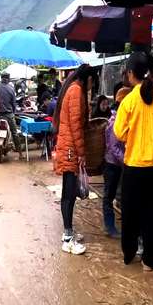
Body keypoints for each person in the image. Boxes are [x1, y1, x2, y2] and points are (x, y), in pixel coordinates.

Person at [114, 52, 153, 272]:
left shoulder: (128, 101)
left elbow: (119, 133)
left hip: (134, 167)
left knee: (130, 214)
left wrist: (134, 136)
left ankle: (129, 255)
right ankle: (149, 261)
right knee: (150, 214)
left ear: (130, 74)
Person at [53, 64, 97, 256]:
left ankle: (68, 232)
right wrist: (81, 153)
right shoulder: (76, 91)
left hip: (69, 147)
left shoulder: (73, 89)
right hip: (70, 149)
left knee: (69, 193)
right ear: (87, 79)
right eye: (92, 83)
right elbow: (76, 126)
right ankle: (67, 237)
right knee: (69, 194)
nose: (91, 87)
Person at [102, 91, 127, 238]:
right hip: (112, 165)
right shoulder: (114, 123)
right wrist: (127, 160)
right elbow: (113, 148)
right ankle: (110, 227)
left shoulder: (121, 121)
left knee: (120, 195)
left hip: (119, 164)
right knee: (109, 196)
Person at [0, 72, 22, 159]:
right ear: (8, 79)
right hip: (9, 115)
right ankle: (20, 153)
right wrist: (13, 112)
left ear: (1, 78)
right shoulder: (11, 88)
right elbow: (14, 103)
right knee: (14, 133)